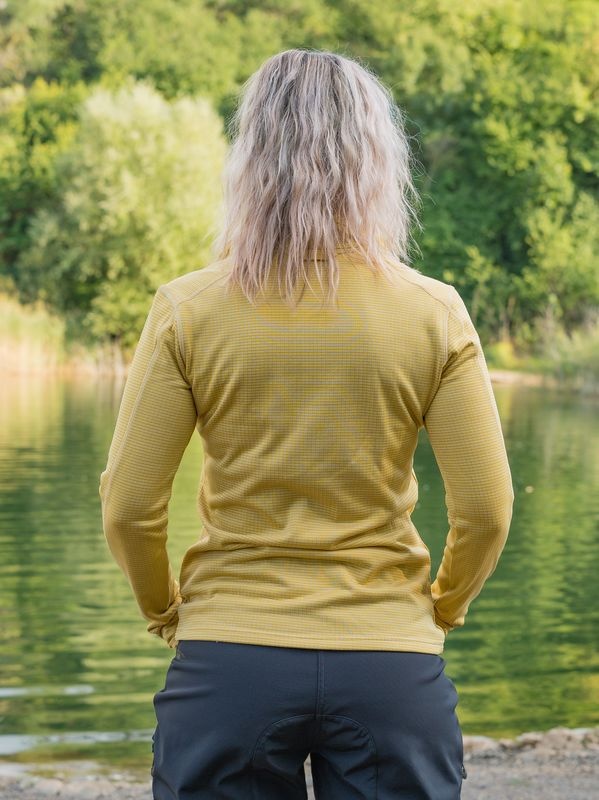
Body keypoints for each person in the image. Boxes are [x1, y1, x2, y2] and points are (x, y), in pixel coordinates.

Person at [99, 48, 514, 800]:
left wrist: (167, 613)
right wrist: (439, 609)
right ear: (377, 160)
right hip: (391, 666)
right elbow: (486, 511)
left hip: (228, 662)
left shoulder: (188, 310)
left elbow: (129, 508)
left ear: (250, 158)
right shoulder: (434, 313)